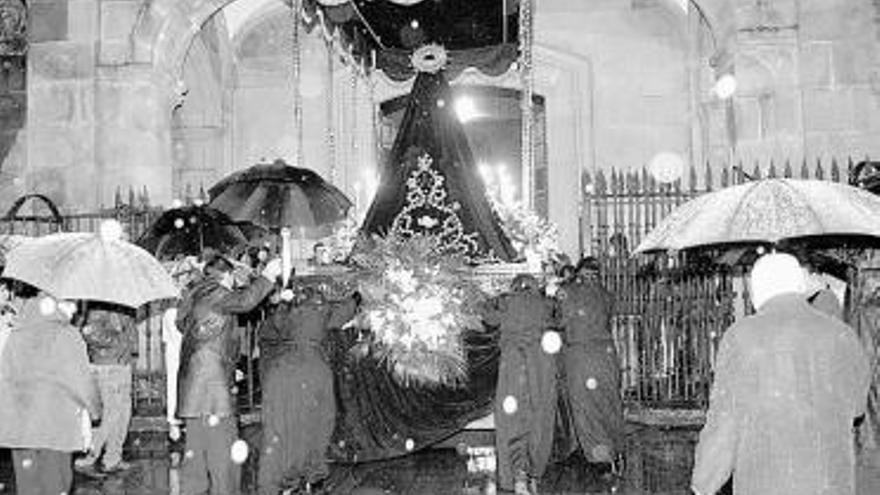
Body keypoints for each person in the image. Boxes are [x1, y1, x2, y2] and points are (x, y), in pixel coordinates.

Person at [691, 253, 871, 495]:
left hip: (768, 481)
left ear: (757, 292)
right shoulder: (842, 334)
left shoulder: (742, 337)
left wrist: (704, 483)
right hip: (831, 481)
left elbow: (726, 421)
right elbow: (857, 407)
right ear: (800, 287)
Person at [176, 252, 282, 495]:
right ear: (227, 275)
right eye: (234, 277)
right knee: (223, 453)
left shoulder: (196, 293)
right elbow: (245, 301)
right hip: (211, 390)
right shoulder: (215, 292)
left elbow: (188, 328)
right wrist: (267, 276)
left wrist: (227, 366)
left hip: (196, 386)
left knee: (195, 453)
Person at [0, 284, 102, 495]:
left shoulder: (16, 333)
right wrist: (95, 409)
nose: (75, 310)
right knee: (56, 487)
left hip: (20, 429)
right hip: (55, 426)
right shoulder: (67, 335)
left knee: (28, 488)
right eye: (71, 303)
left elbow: (5, 377)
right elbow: (81, 380)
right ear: (58, 304)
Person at [257, 283, 358, 495]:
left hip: (283, 372)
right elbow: (342, 314)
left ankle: (288, 479)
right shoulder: (323, 311)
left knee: (284, 427)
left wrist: (282, 305)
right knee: (320, 424)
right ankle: (314, 475)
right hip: (314, 371)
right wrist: (356, 298)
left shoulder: (287, 314)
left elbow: (273, 328)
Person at [483, 274, 559, 495]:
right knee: (541, 416)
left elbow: (487, 317)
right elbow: (560, 319)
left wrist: (496, 299)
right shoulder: (545, 304)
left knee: (512, 419)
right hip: (540, 364)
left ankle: (517, 475)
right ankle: (534, 472)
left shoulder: (506, 302)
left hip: (513, 365)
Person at [557, 256, 625, 476]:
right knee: (609, 402)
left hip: (581, 354)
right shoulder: (606, 294)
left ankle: (601, 460)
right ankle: (617, 452)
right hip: (607, 354)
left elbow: (559, 321)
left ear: (579, 273)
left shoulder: (568, 292)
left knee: (585, 406)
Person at [74, 302, 138, 474]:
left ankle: (113, 457)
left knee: (122, 414)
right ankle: (92, 453)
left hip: (119, 363)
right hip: (110, 365)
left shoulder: (118, 304)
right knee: (112, 414)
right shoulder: (101, 306)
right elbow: (90, 332)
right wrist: (119, 342)